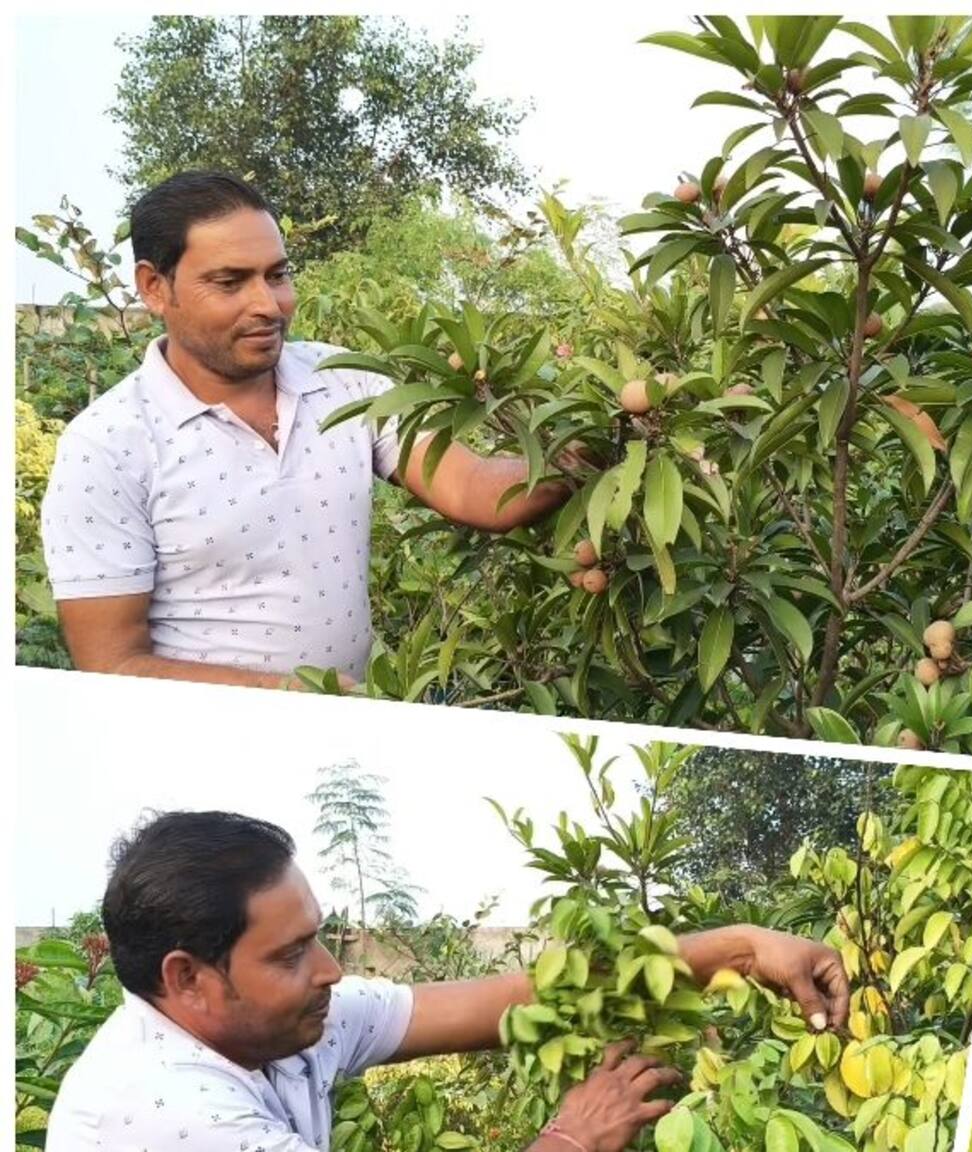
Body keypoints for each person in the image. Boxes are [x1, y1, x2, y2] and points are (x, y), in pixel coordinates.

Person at [40, 170, 571, 690]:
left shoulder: (344, 377)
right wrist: (297, 695)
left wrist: (591, 458)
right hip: (203, 743)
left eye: (277, 275)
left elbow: (471, 486)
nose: (268, 305)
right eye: (230, 282)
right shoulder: (107, 447)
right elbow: (113, 665)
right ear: (154, 287)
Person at [45, 812, 851, 1152]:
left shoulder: (271, 1026)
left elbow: (518, 1002)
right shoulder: (170, 1117)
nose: (330, 971)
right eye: (290, 955)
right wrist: (570, 1138)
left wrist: (743, 949)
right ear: (188, 979)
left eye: (317, 939)